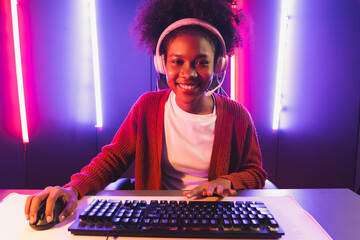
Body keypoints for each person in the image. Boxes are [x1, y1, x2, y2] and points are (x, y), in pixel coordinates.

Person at [25, 0, 267, 225]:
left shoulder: (237, 116)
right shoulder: (147, 107)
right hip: (157, 218)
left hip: (216, 219)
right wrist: (72, 189)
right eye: (177, 61)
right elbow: (113, 159)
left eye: (201, 62)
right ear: (162, 64)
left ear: (219, 64)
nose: (188, 73)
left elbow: (255, 173)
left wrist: (227, 181)